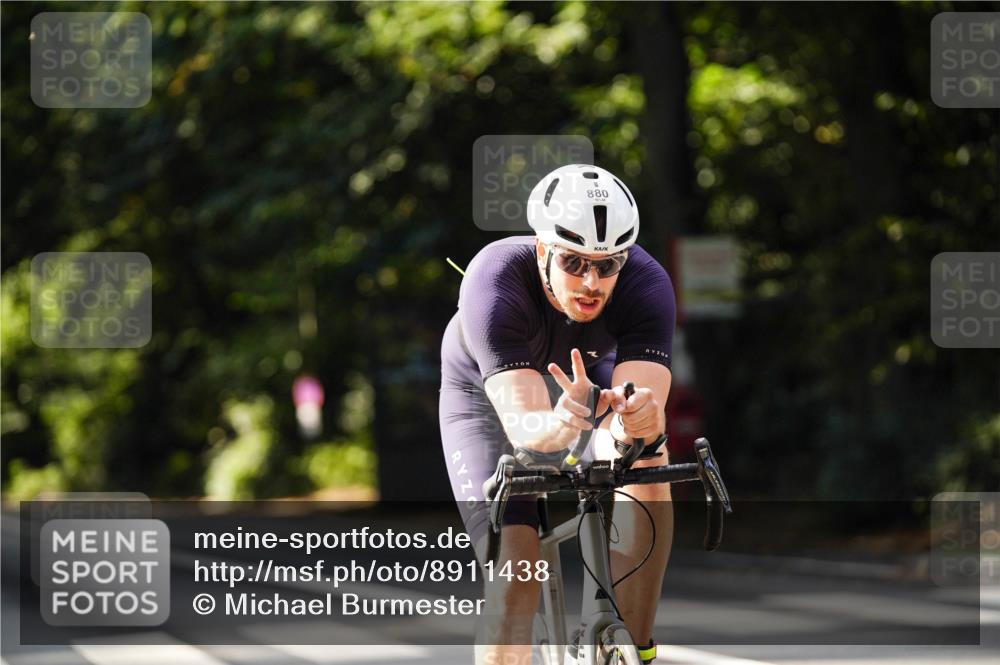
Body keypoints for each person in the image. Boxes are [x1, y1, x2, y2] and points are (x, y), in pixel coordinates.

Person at [439, 164, 676, 665]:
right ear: (543, 250)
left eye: (607, 265)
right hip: (490, 401)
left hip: (586, 383)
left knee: (651, 461)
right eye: (573, 262)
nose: (592, 282)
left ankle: (635, 646)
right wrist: (562, 423)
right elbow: (527, 429)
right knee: (517, 576)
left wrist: (637, 425)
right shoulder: (495, 279)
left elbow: (644, 410)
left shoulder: (647, 283)